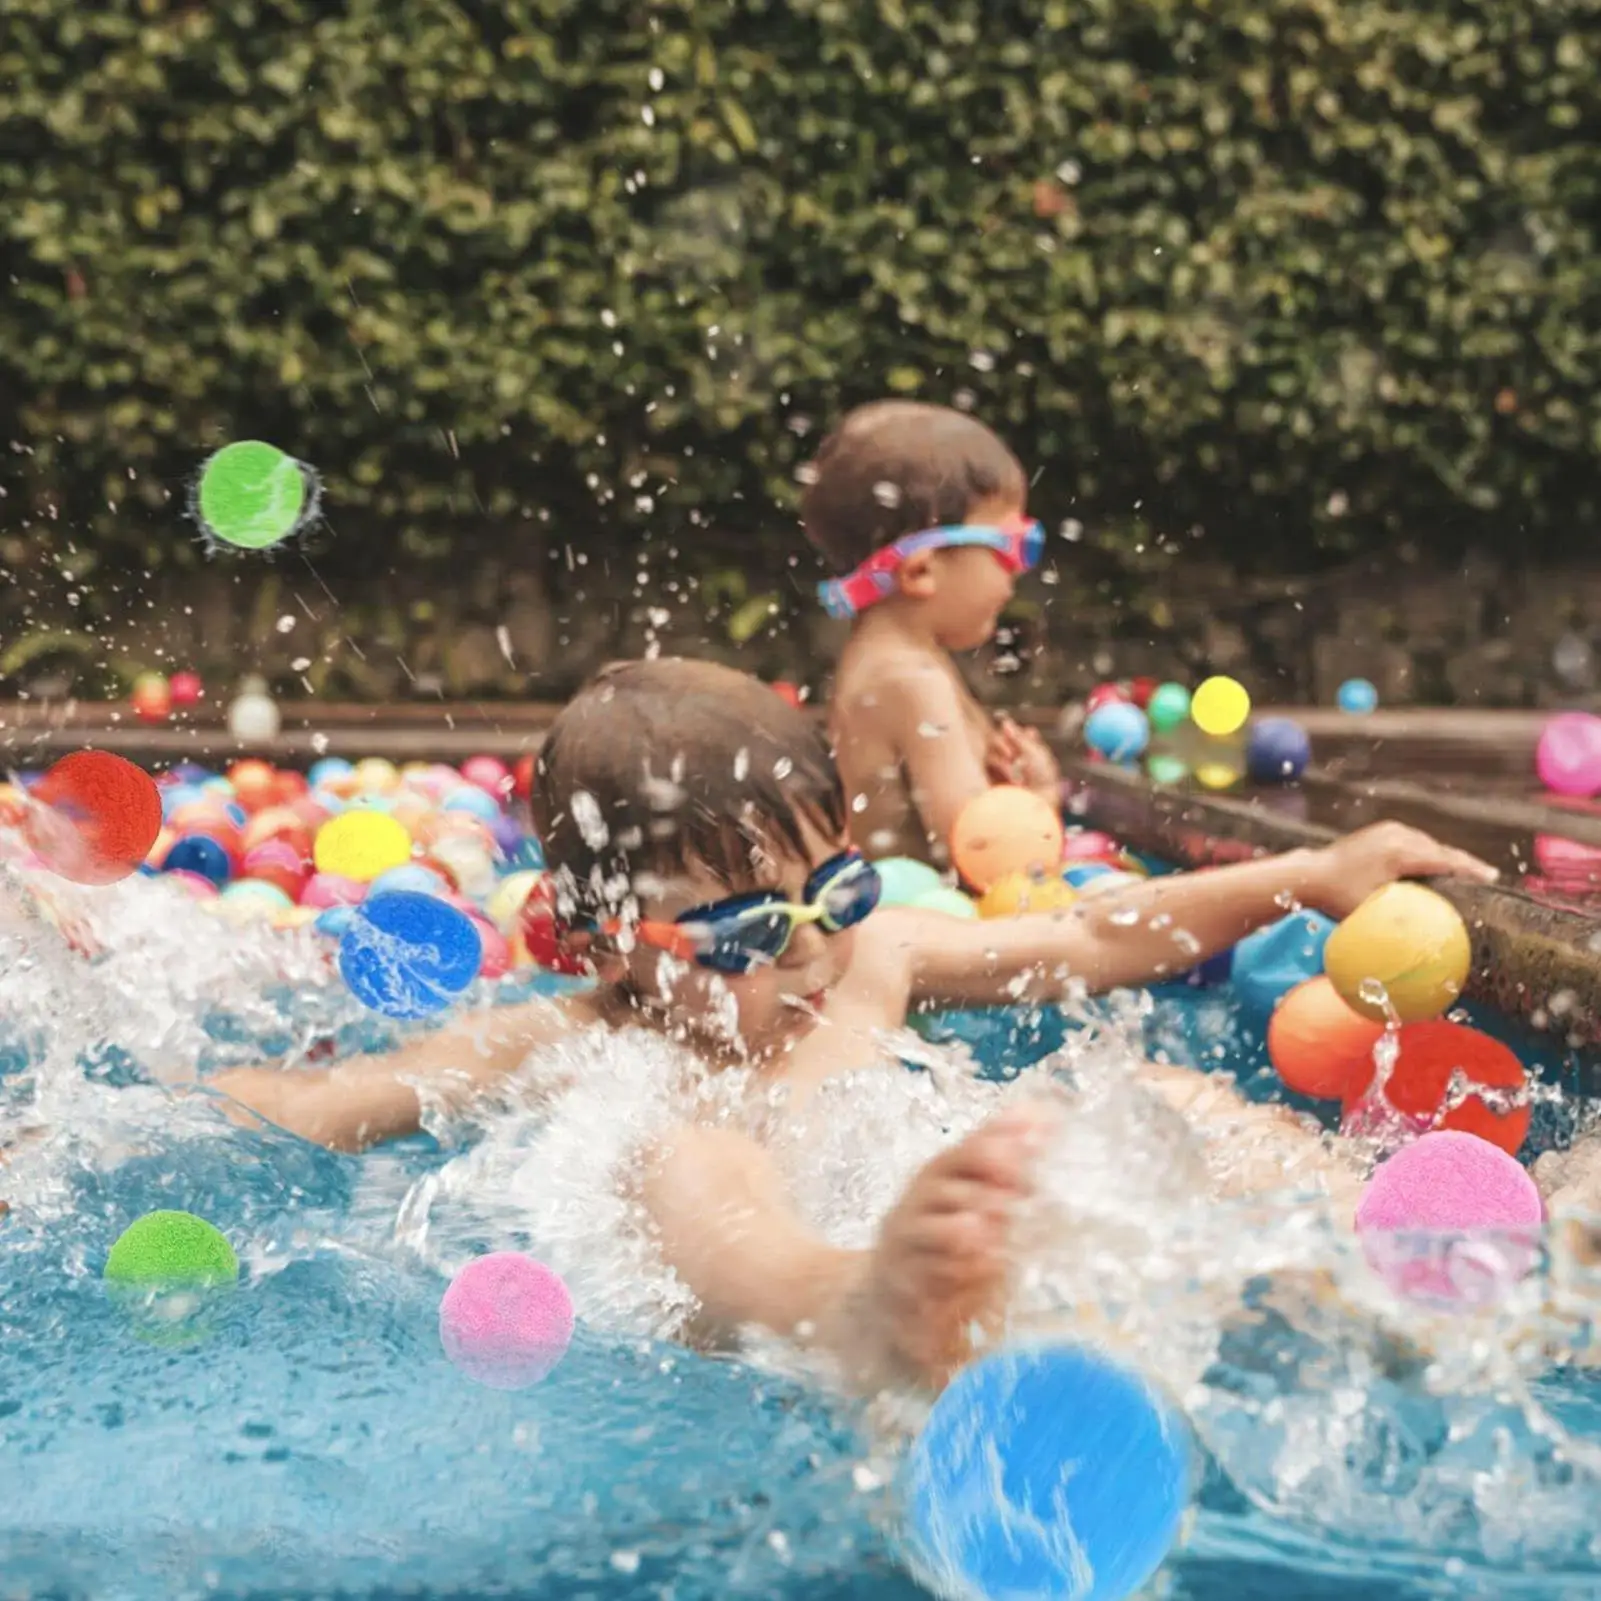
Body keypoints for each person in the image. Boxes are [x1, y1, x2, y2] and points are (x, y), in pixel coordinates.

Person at [207, 658, 1501, 1396]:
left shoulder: (876, 959)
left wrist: (1312, 873)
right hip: (790, 1269)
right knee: (692, 1158)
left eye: (829, 888)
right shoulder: (593, 1039)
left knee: (1188, 1112)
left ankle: (1450, 1272)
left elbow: (1096, 936)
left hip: (934, 1202)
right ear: (606, 944)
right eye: (746, 931)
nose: (812, 942)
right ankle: (860, 1307)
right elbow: (334, 1102)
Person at [801, 400, 1063, 865]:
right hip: (921, 917)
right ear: (921, 571)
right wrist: (1043, 798)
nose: (1020, 570)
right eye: (1014, 546)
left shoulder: (900, 657)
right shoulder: (910, 679)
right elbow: (983, 856)